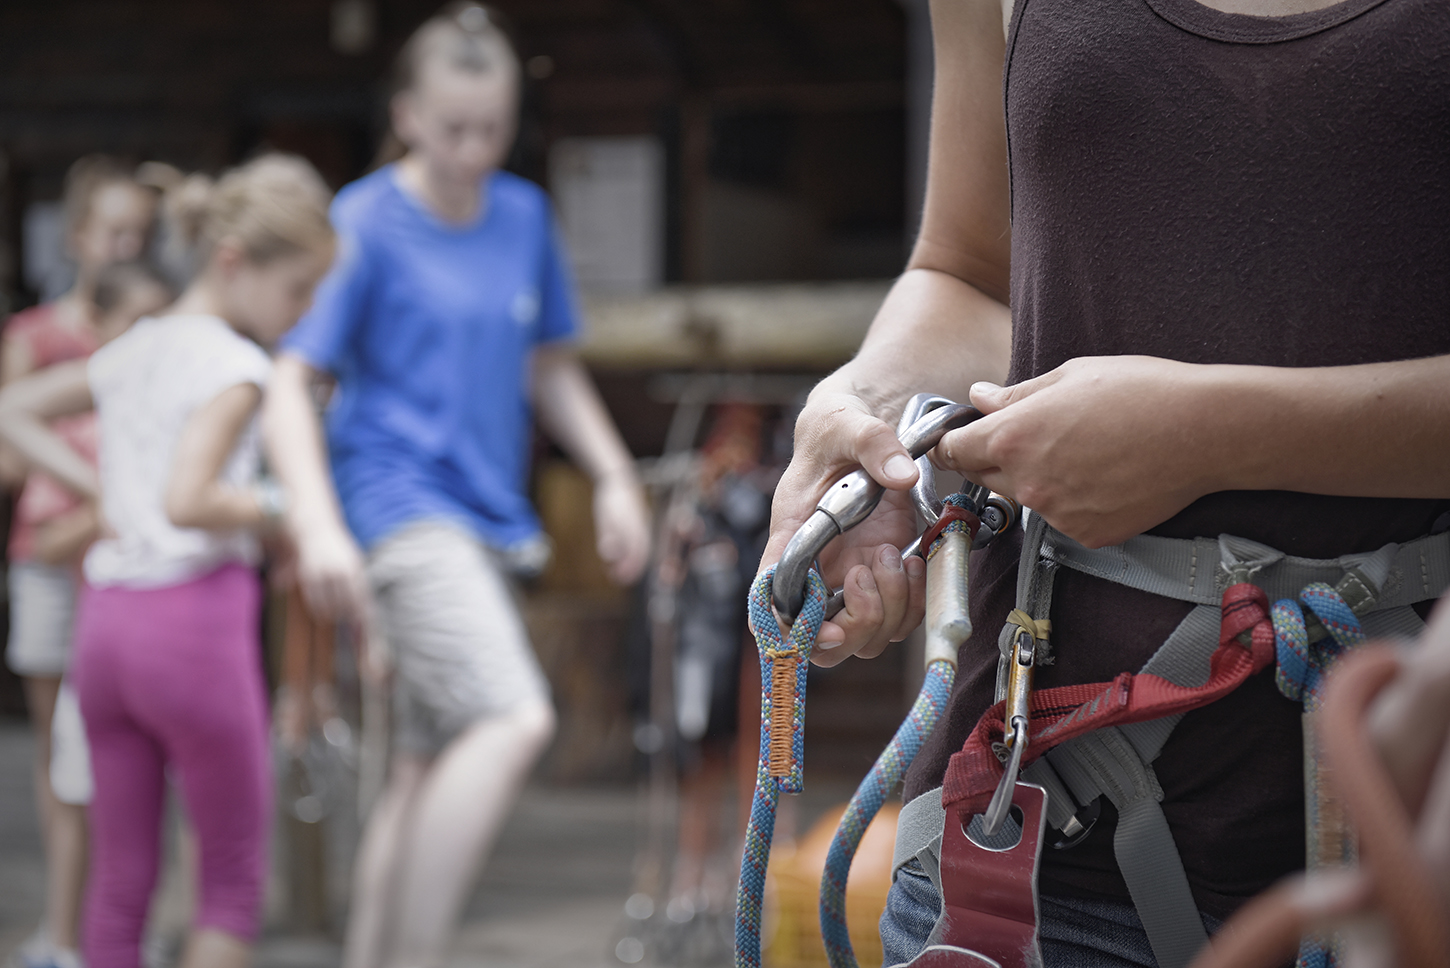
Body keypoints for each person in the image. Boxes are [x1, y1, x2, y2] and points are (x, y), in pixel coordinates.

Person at [759, 0, 1450, 965]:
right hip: (1040, 827)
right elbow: (971, 275)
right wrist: (871, 418)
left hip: (1418, 832)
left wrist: (1216, 436)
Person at [262, 5, 652, 966]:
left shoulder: (521, 216)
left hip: (490, 521)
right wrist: (316, 527)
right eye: (453, 127)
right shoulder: (362, 221)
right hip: (398, 509)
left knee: (421, 765)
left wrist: (612, 476)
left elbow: (547, 365)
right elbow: (289, 378)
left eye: (494, 125)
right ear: (406, 115)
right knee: (512, 717)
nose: (475, 148)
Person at [0, 153, 336, 968]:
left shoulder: (137, 346)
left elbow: (13, 407)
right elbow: (191, 501)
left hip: (107, 633)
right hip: (191, 629)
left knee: (121, 884)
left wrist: (106, 487)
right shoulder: (237, 367)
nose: (299, 315)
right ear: (234, 263)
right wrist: (284, 507)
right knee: (227, 882)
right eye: (296, 290)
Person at [2, 156, 158, 968]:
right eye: (114, 231)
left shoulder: (157, 329)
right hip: (50, 562)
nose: (127, 244)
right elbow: (5, 460)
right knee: (62, 761)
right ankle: (64, 931)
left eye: (140, 232)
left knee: (134, 753)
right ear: (77, 238)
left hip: (130, 568)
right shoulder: (34, 337)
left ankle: (128, 925)